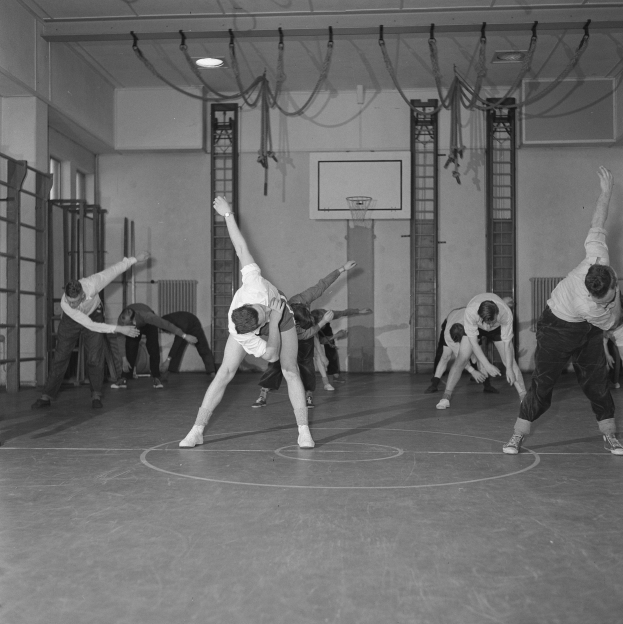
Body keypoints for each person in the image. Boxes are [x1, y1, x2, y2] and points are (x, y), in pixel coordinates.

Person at [504, 166, 623, 456]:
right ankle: (517, 435)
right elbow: (615, 323)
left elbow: (598, 219)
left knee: (597, 384)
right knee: (543, 387)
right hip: (557, 327)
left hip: (587, 329)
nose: (610, 298)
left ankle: (609, 435)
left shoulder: (598, 255)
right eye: (606, 299)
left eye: (613, 291)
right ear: (595, 296)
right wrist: (614, 306)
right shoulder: (591, 306)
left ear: (606, 274)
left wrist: (606, 192)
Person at [179, 196, 315, 449]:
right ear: (253, 330)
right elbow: (270, 355)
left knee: (290, 370)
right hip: (274, 324)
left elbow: (240, 248)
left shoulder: (253, 287)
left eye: (259, 309)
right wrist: (270, 323)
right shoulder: (242, 334)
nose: (264, 308)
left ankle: (303, 431)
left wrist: (227, 215)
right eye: (262, 314)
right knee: (225, 372)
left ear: (248, 305)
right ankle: (197, 431)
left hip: (282, 316)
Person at [31, 253, 150, 409]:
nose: (71, 304)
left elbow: (114, 270)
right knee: (60, 356)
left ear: (82, 294)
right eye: (69, 300)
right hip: (71, 320)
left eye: (74, 301)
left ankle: (96, 394)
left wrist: (135, 259)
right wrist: (119, 328)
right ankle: (46, 395)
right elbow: (90, 325)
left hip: (95, 313)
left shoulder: (93, 284)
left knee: (94, 357)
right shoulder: (66, 305)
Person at [252, 262, 356, 409]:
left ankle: (308, 394)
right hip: (285, 335)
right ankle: (263, 393)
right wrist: (323, 322)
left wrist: (342, 269)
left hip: (304, 337)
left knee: (306, 363)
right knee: (275, 364)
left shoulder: (302, 298)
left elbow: (322, 285)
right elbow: (307, 333)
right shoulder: (283, 319)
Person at [436, 294, 526, 410]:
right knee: (462, 359)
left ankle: (524, 397)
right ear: (479, 316)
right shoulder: (470, 312)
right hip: (475, 326)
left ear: (496, 315)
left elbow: (507, 345)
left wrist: (508, 368)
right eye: (486, 323)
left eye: (491, 322)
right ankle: (445, 398)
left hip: (498, 328)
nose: (488, 328)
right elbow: (474, 344)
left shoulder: (506, 314)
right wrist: (487, 365)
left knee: (511, 362)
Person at [114, 304, 199, 389]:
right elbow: (120, 339)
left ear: (133, 321)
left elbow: (166, 325)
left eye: (127, 324)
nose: (124, 326)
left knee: (153, 347)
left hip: (148, 323)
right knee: (130, 347)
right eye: (123, 324)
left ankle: (156, 377)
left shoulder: (148, 316)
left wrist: (184, 335)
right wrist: (124, 358)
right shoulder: (121, 320)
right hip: (135, 325)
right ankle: (124, 378)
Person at [425, 307, 487, 393]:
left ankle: (487, 385)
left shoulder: (474, 327)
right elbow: (460, 359)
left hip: (468, 318)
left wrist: (474, 358)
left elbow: (477, 352)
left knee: (477, 356)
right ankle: (434, 384)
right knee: (445, 356)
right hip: (452, 319)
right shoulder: (448, 336)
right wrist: (473, 371)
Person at [312, 307, 372, 382]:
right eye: (324, 322)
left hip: (322, 324)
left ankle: (335, 374)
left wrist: (359, 311)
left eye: (326, 321)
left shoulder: (328, 315)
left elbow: (344, 312)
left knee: (331, 348)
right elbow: (319, 340)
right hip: (313, 329)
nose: (325, 323)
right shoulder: (310, 324)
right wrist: (337, 335)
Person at [160, 311, 216, 378]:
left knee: (203, 348)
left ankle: (212, 372)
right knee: (177, 350)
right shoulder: (165, 321)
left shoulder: (179, 323)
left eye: (168, 332)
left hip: (194, 325)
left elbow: (176, 343)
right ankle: (169, 371)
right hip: (185, 323)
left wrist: (167, 360)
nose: (169, 333)